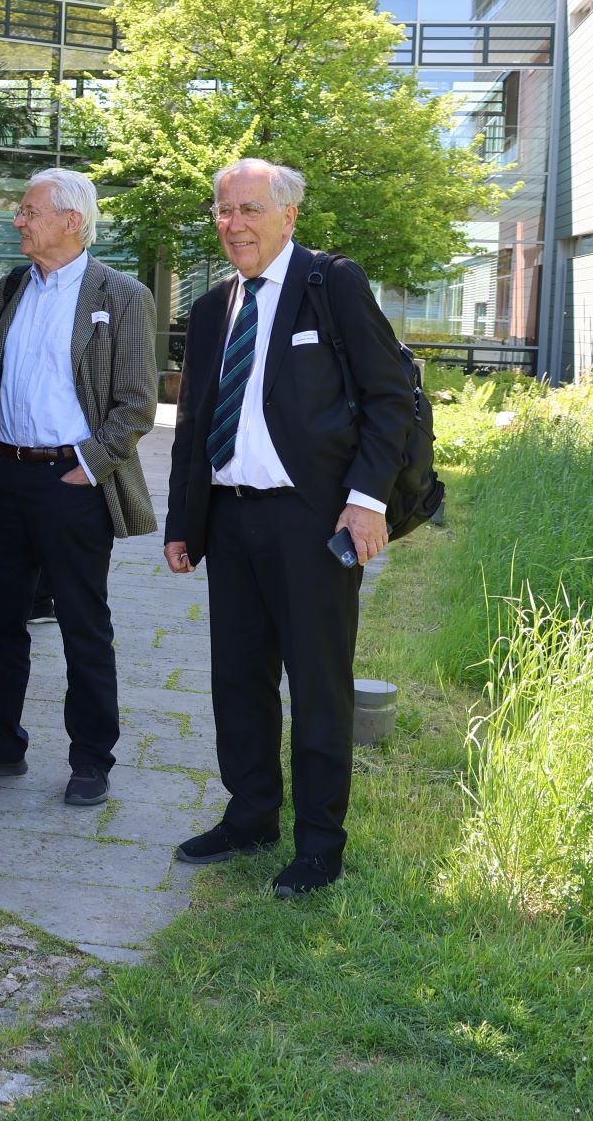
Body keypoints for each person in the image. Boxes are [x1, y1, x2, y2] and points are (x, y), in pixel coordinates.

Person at [164, 158, 415, 897]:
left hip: (313, 521)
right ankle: (249, 818)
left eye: (248, 209)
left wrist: (367, 499)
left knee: (317, 685)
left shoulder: (329, 284)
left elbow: (389, 396)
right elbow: (192, 425)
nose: (233, 224)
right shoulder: (213, 308)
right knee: (237, 680)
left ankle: (318, 845)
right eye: (222, 210)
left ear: (287, 216)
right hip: (232, 522)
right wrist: (185, 520)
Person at [0, 170, 158, 807]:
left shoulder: (120, 294)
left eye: (28, 211)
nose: (18, 221)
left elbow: (135, 404)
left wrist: (87, 466)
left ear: (72, 220)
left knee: (82, 622)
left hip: (70, 481)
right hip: (3, 475)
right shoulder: (12, 285)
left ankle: (92, 758)